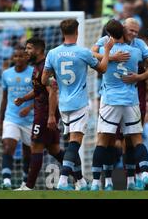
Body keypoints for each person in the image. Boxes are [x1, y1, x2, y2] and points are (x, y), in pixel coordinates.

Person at [42, 19, 114, 190]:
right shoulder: (83, 52)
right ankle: (63, 180)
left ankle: (80, 182)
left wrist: (53, 81)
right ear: (77, 32)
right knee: (75, 142)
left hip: (63, 103)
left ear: (62, 32)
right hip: (79, 103)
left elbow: (43, 79)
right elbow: (103, 68)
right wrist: (108, 52)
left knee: (71, 143)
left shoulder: (52, 53)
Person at [91, 20, 148, 191]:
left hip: (110, 100)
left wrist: (108, 55)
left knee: (103, 141)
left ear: (110, 34)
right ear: (123, 30)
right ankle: (145, 174)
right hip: (131, 100)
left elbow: (95, 60)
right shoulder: (135, 52)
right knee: (136, 139)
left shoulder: (107, 46)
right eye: (131, 30)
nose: (133, 34)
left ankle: (97, 182)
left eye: (136, 31)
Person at [14, 38, 66, 191]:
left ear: (38, 50)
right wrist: (23, 98)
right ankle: (80, 178)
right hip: (44, 112)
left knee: (36, 146)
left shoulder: (45, 68)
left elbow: (52, 92)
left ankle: (28, 187)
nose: (26, 51)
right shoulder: (37, 67)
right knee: (54, 149)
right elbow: (39, 90)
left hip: (44, 114)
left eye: (29, 48)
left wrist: (50, 116)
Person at [0, 46, 33, 189]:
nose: (18, 59)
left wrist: (29, 108)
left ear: (26, 57)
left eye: (21, 56)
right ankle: (6, 181)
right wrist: (1, 120)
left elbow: (41, 95)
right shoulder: (6, 74)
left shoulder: (33, 73)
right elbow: (4, 98)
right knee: (8, 146)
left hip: (30, 119)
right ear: (13, 58)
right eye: (16, 56)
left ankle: (25, 182)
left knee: (28, 153)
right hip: (11, 117)